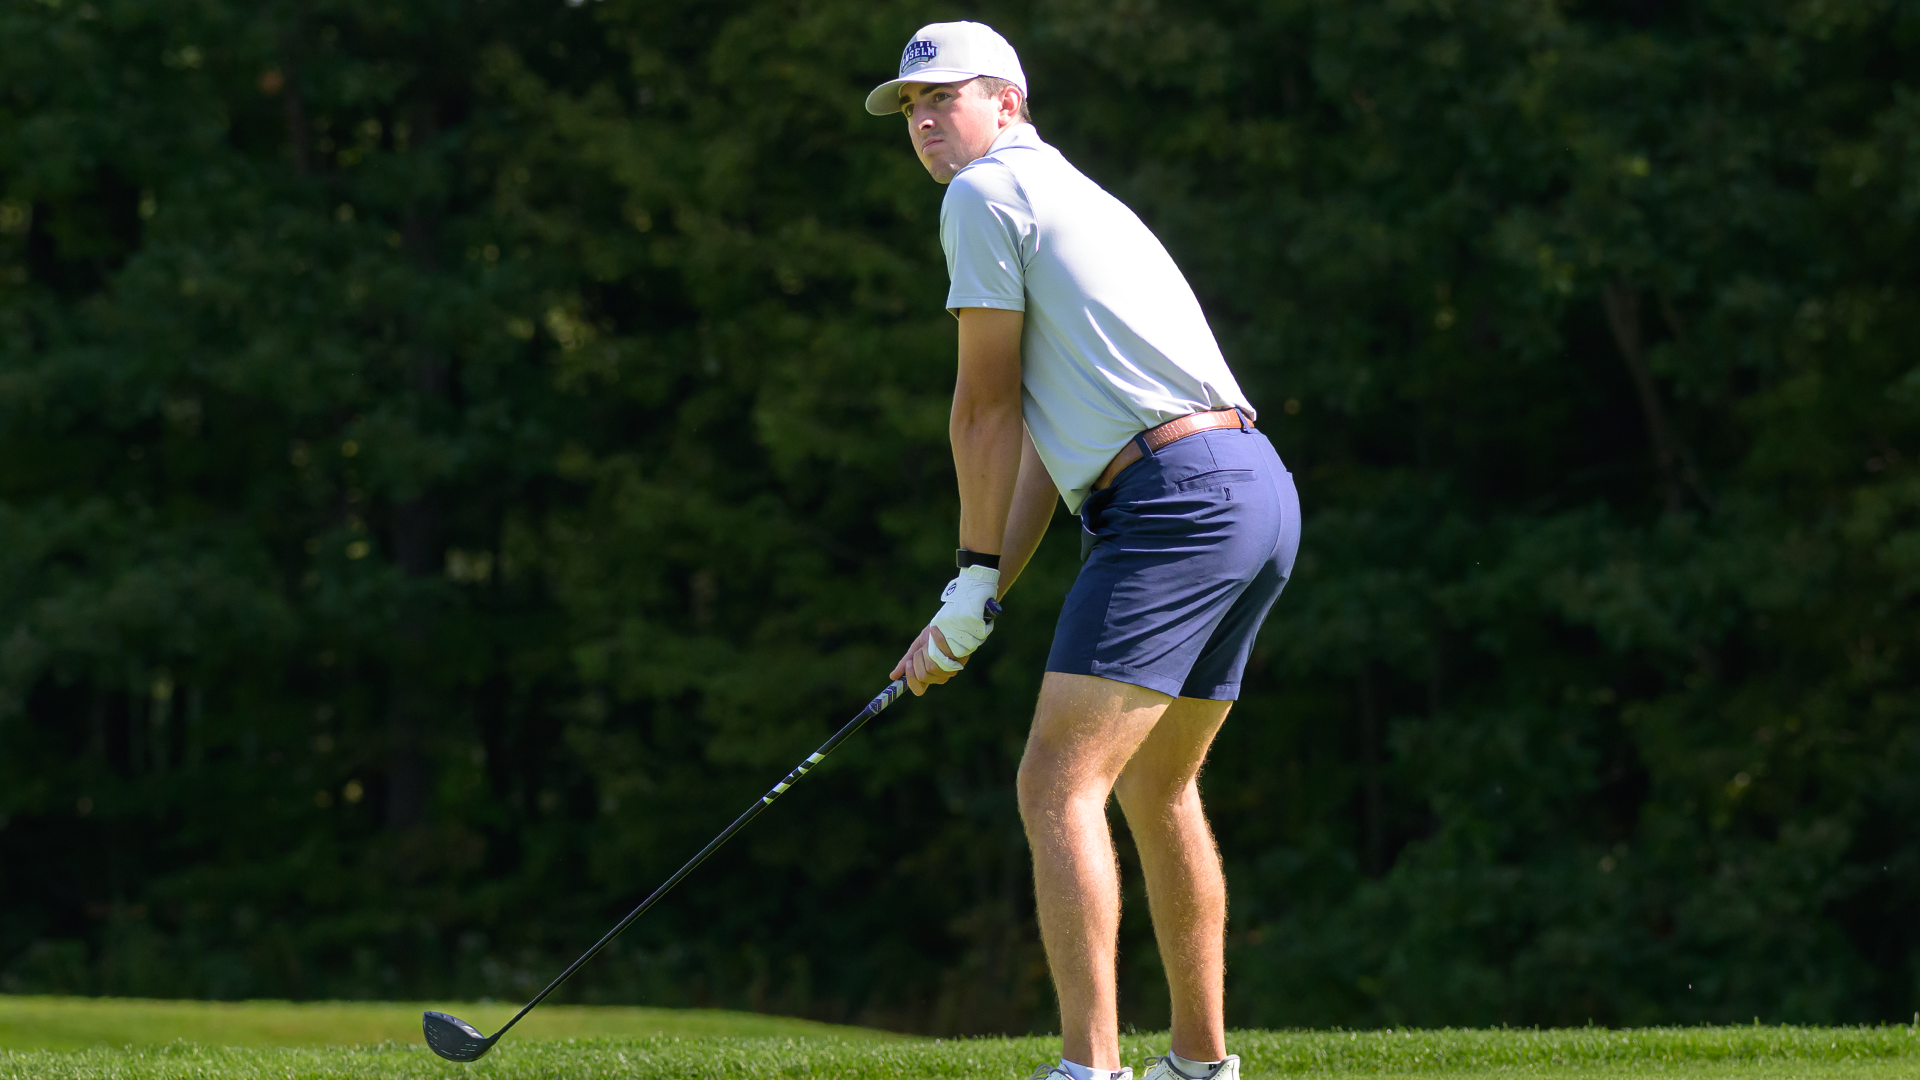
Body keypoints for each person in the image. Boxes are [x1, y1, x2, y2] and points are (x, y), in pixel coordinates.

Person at [867, 21, 1301, 1080]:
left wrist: (971, 577)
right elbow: (1036, 465)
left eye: (946, 99)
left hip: (1176, 498)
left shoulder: (981, 195)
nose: (926, 123)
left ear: (1008, 101)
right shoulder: (1072, 195)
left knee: (1056, 785)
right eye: (913, 109)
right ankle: (1200, 1067)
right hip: (1255, 491)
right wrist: (973, 601)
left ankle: (1087, 1069)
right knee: (1158, 790)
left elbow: (985, 407)